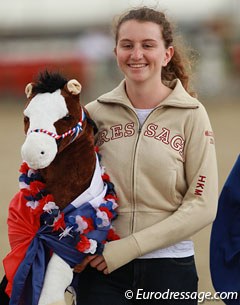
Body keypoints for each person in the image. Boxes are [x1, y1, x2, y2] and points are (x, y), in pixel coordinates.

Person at [75, 6, 218, 305]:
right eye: (127, 45)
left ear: (167, 54)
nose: (136, 54)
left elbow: (203, 204)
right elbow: (72, 190)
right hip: (102, 271)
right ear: (116, 51)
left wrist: (129, 248)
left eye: (148, 45)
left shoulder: (192, 115)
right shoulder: (92, 114)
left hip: (170, 270)